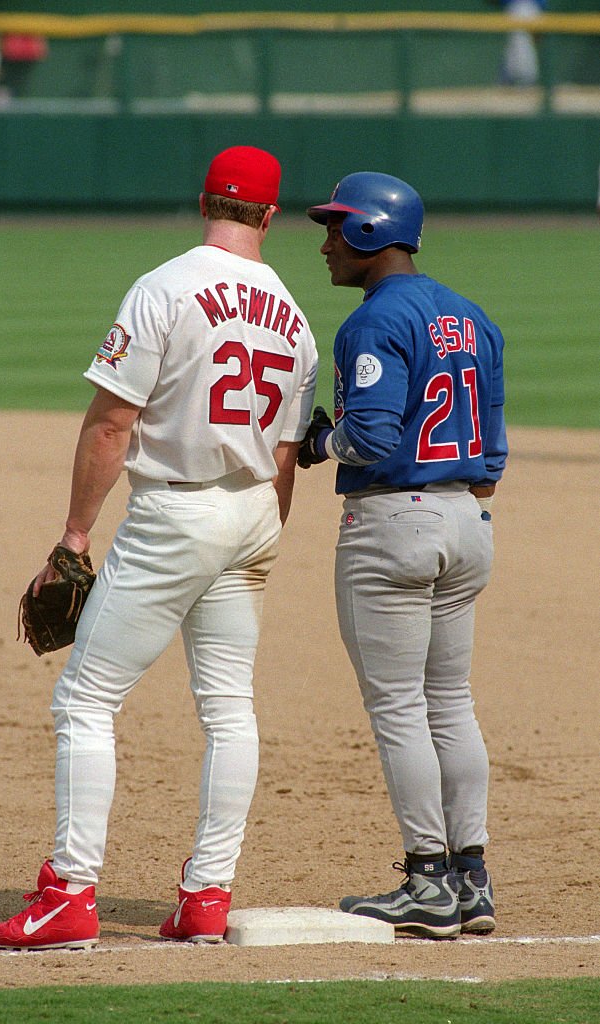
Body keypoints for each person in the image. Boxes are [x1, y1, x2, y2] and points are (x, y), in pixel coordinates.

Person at [0, 145, 318, 950]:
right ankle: (205, 897)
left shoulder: (166, 286)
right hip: (254, 515)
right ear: (270, 217)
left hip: (176, 514)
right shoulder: (295, 318)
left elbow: (111, 422)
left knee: (85, 700)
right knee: (229, 708)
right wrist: (255, 542)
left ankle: (68, 896)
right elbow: (281, 457)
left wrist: (74, 534)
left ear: (203, 200)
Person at [298, 171, 507, 940]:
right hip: (466, 520)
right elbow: (490, 456)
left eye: (333, 228)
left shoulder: (373, 321)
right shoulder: (472, 316)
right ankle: (470, 880)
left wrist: (321, 443)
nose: (323, 244)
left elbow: (374, 437)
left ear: (368, 234)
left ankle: (425, 879)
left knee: (397, 709)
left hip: (392, 526)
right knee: (450, 702)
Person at [488, 0, 548, 86]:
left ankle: (521, 79)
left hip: (522, 8)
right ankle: (512, 79)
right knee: (518, 45)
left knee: (520, 44)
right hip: (526, 8)